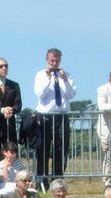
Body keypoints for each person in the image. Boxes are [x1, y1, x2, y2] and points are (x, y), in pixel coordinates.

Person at [33, 49, 76, 189]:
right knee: (44, 149)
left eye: (56, 61)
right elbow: (40, 93)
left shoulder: (67, 75)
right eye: (51, 60)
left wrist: (64, 79)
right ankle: (42, 181)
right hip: (45, 116)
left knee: (61, 149)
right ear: (47, 60)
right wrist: (48, 77)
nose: (54, 63)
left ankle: (57, 180)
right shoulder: (40, 75)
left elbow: (71, 94)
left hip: (61, 116)